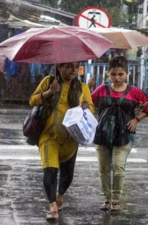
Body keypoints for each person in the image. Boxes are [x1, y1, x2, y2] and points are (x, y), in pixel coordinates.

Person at [29, 62, 94, 221]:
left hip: (71, 139)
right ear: (60, 67)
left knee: (68, 175)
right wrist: (48, 93)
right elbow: (32, 100)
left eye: (76, 66)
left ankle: (59, 196)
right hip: (49, 135)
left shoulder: (82, 87)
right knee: (50, 170)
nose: (74, 70)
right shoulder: (48, 81)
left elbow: (91, 110)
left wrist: (86, 107)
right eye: (70, 66)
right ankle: (52, 206)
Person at [91, 56, 148, 211]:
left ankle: (116, 198)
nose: (117, 78)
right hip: (102, 135)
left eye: (120, 74)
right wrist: (87, 89)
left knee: (118, 167)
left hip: (125, 136)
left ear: (127, 74)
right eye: (113, 74)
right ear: (108, 74)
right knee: (104, 168)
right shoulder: (101, 90)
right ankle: (107, 198)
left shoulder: (134, 92)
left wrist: (136, 119)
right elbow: (87, 105)